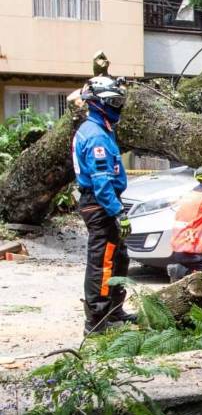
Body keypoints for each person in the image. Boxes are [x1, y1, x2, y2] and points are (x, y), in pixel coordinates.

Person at [73, 75, 135, 335]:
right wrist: (117, 211)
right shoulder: (96, 136)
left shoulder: (104, 129)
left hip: (106, 203)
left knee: (119, 257)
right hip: (100, 204)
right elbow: (101, 183)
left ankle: (114, 310)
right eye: (114, 101)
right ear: (98, 103)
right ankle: (96, 321)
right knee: (103, 261)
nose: (118, 106)